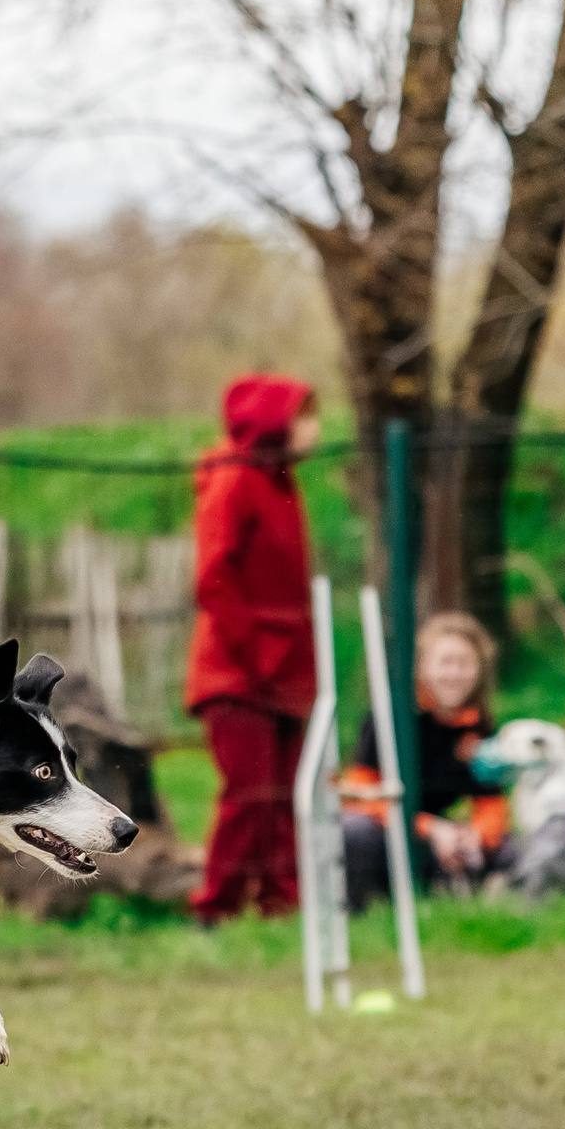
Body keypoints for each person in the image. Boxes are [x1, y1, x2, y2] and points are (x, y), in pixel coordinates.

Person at [185, 373, 320, 924]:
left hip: (287, 667)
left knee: (290, 795)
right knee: (250, 795)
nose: (314, 430)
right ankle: (217, 906)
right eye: (304, 416)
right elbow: (215, 579)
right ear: (273, 422)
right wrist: (257, 654)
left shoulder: (281, 480)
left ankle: (281, 902)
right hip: (238, 671)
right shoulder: (233, 479)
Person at [341, 611, 509, 901]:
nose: (454, 674)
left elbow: (490, 803)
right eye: (445, 663)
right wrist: (429, 829)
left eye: (464, 664)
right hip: (388, 828)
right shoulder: (390, 716)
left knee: (511, 847)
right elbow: (358, 795)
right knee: (355, 832)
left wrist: (473, 836)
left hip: (440, 836)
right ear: (423, 668)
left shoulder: (478, 727)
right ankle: (363, 911)